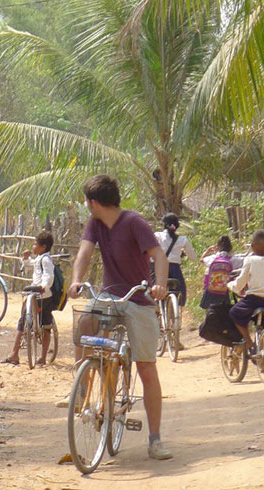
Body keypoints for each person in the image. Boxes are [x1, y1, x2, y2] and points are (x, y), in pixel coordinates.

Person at [64, 174, 173, 460]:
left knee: (147, 368)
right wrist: (76, 280)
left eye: (87, 201)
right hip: (109, 296)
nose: (86, 205)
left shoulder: (134, 222)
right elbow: (85, 253)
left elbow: (159, 256)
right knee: (84, 323)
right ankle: (85, 384)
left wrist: (159, 284)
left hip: (138, 299)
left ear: (94, 202)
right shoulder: (95, 224)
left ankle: (155, 439)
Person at [1, 232, 55, 366]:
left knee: (46, 325)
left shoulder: (46, 260)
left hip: (43, 295)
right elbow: (32, 264)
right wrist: (25, 259)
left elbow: (48, 275)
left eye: (35, 244)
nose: (33, 246)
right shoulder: (39, 258)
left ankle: (42, 357)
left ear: (43, 247)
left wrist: (44, 286)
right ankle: (14, 354)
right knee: (24, 320)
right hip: (34, 294)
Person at [154, 213, 196, 350]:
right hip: (175, 271)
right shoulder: (182, 239)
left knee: (152, 294)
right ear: (176, 226)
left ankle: (157, 318)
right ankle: (175, 338)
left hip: (159, 269)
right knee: (178, 298)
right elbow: (194, 257)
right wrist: (180, 252)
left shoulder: (157, 236)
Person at [228, 230, 264, 357]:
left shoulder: (250, 260)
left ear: (253, 246)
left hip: (254, 300)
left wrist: (230, 285)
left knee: (234, 313)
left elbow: (240, 283)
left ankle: (248, 341)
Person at [199, 236, 242, 309]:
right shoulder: (234, 259)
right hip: (224, 291)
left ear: (218, 247)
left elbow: (201, 260)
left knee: (209, 311)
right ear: (230, 247)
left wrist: (208, 251)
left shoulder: (213, 258)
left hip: (211, 291)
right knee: (224, 311)